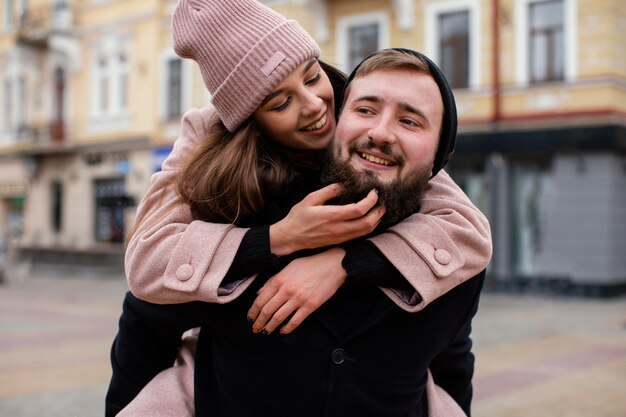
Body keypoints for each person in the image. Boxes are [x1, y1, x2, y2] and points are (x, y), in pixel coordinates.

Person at [105, 0, 491, 415]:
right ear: (251, 121)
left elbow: (468, 246)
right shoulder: (226, 197)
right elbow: (146, 298)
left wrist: (342, 263)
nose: (312, 105)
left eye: (312, 77)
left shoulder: (403, 174)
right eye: (279, 102)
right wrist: (275, 240)